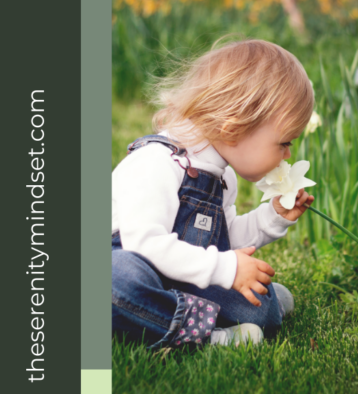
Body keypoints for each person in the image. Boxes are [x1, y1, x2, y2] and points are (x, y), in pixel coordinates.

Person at [112, 38, 315, 350]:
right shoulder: (157, 163)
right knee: (116, 281)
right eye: (284, 142)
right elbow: (144, 244)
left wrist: (271, 217)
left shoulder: (222, 177)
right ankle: (208, 337)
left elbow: (222, 240)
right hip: (129, 264)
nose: (287, 155)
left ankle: (266, 304)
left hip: (180, 271)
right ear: (234, 127)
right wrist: (225, 269)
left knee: (259, 309)